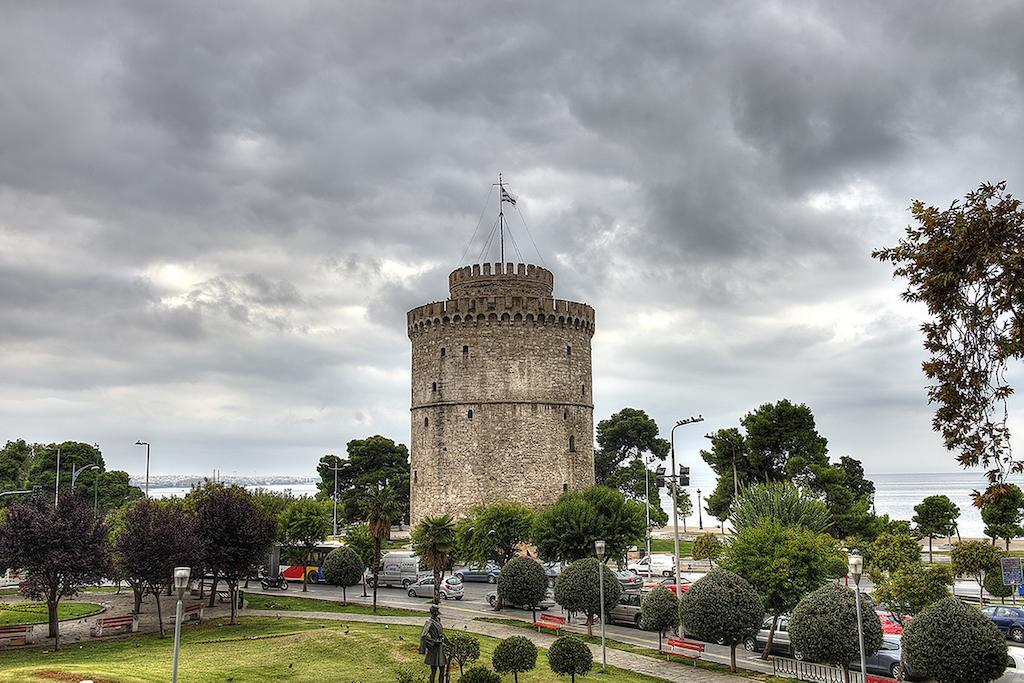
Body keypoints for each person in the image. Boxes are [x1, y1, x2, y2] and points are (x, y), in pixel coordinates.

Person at [419, 605, 447, 683]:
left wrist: (448, 642)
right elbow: (423, 636)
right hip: (434, 649)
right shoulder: (429, 622)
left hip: (440, 648)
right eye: (436, 612)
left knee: (442, 668)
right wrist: (434, 641)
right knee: (434, 670)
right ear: (433, 612)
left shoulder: (438, 620)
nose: (438, 614)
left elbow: (442, 634)